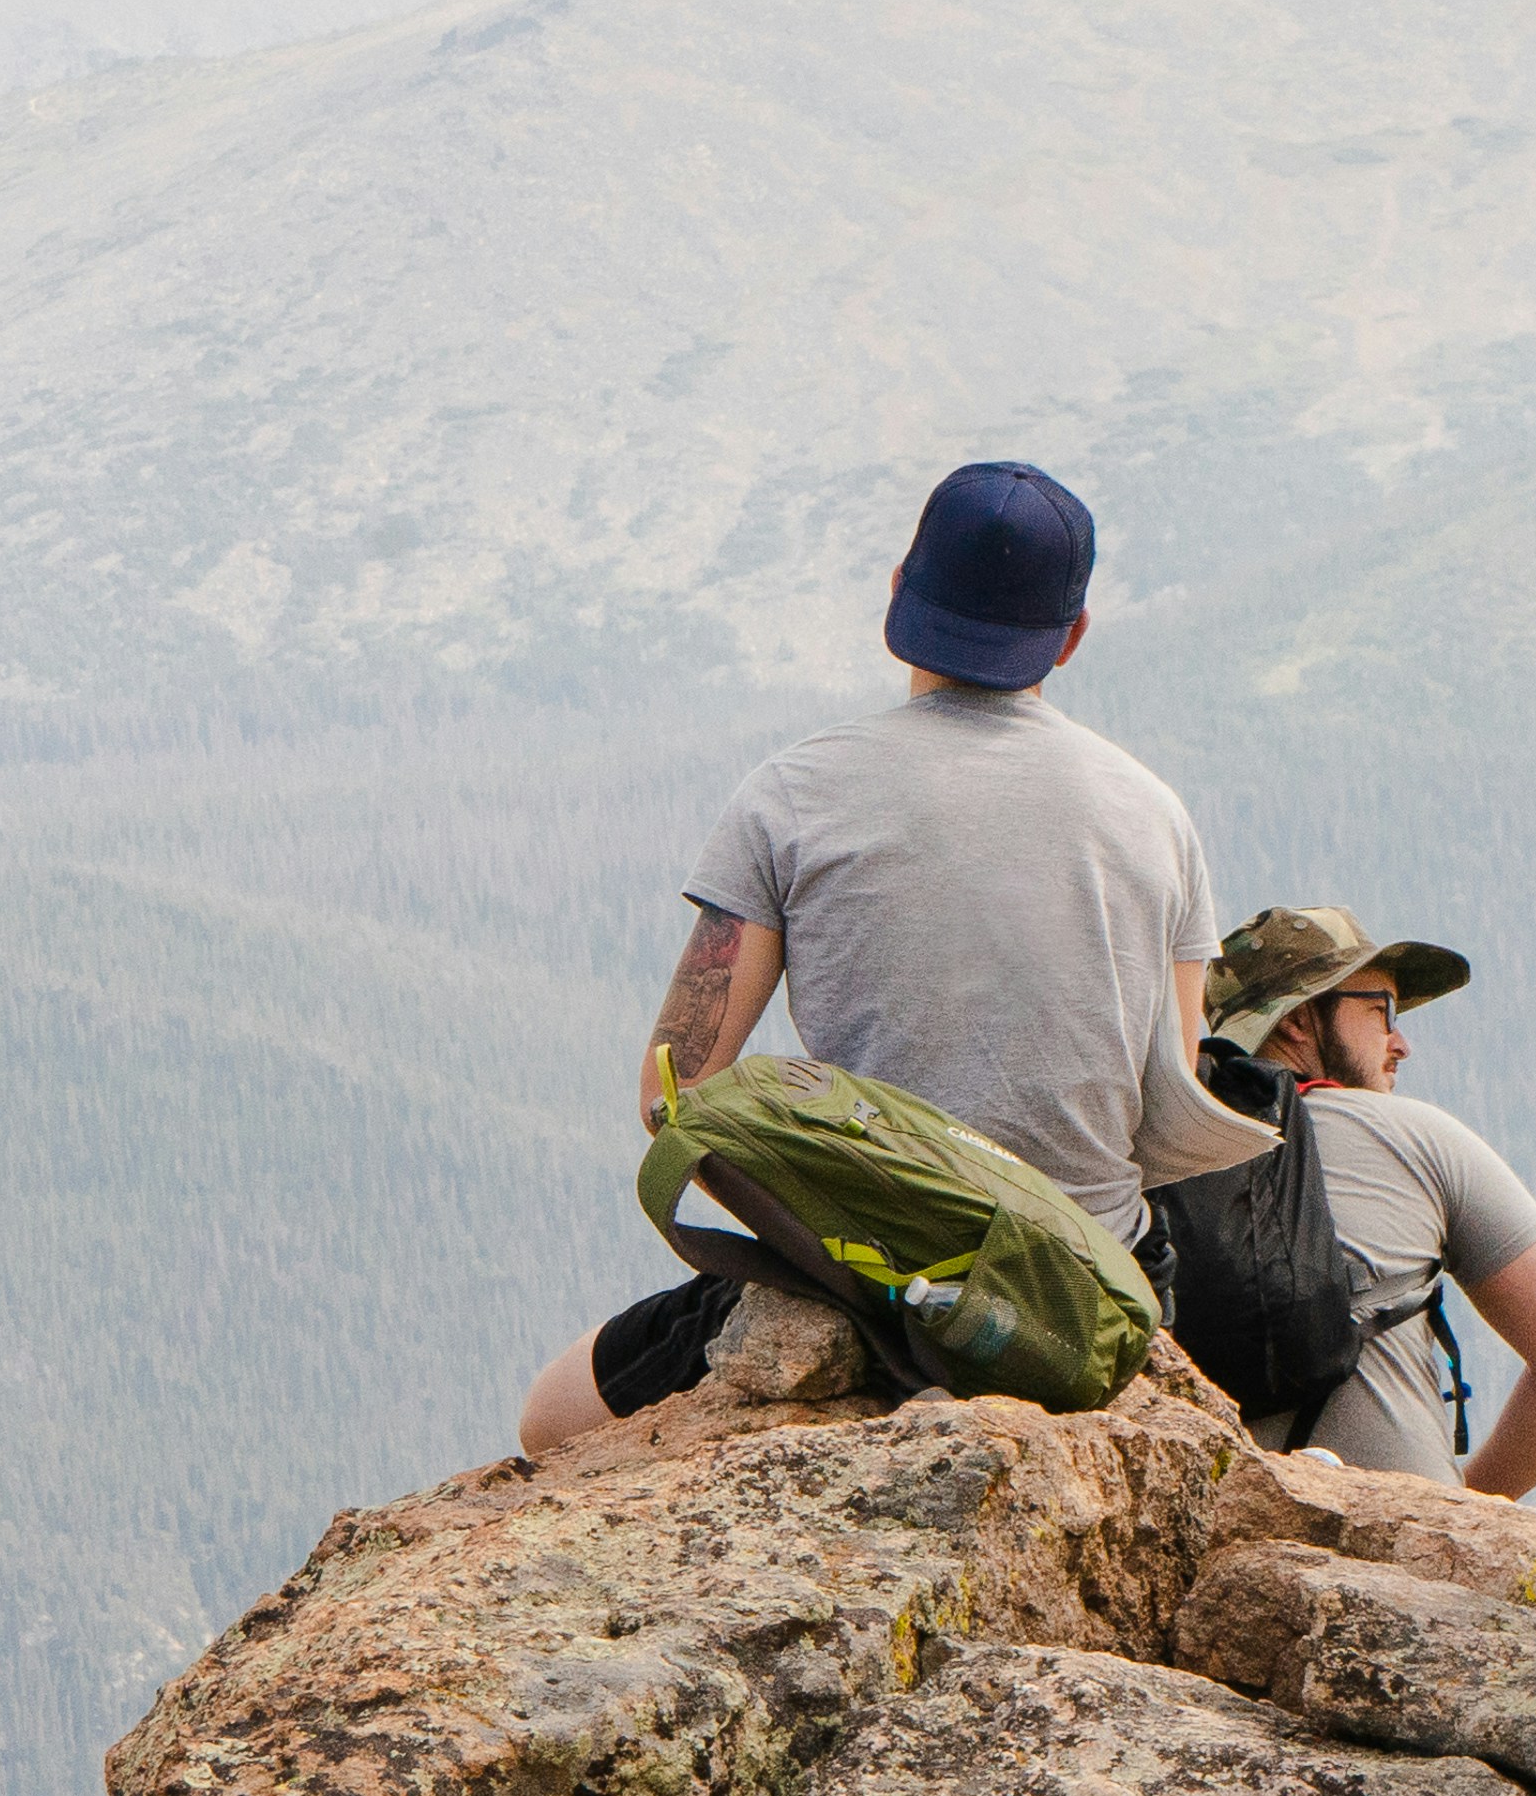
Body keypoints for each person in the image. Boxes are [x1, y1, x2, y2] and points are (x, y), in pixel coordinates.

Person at [513, 459, 1264, 1455]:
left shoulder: (791, 795)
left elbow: (673, 1091)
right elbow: (1174, 1087)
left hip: (878, 1275)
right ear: (1072, 636)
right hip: (1094, 1287)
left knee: (549, 1422)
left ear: (898, 597)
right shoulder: (1156, 814)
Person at [1203, 903, 1536, 1499]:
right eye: (1382, 1011)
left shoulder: (1165, 1149)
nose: (1400, 1043)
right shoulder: (1418, 1139)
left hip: (1211, 1522)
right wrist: (1468, 1508)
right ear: (1299, 1020)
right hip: (1396, 1538)